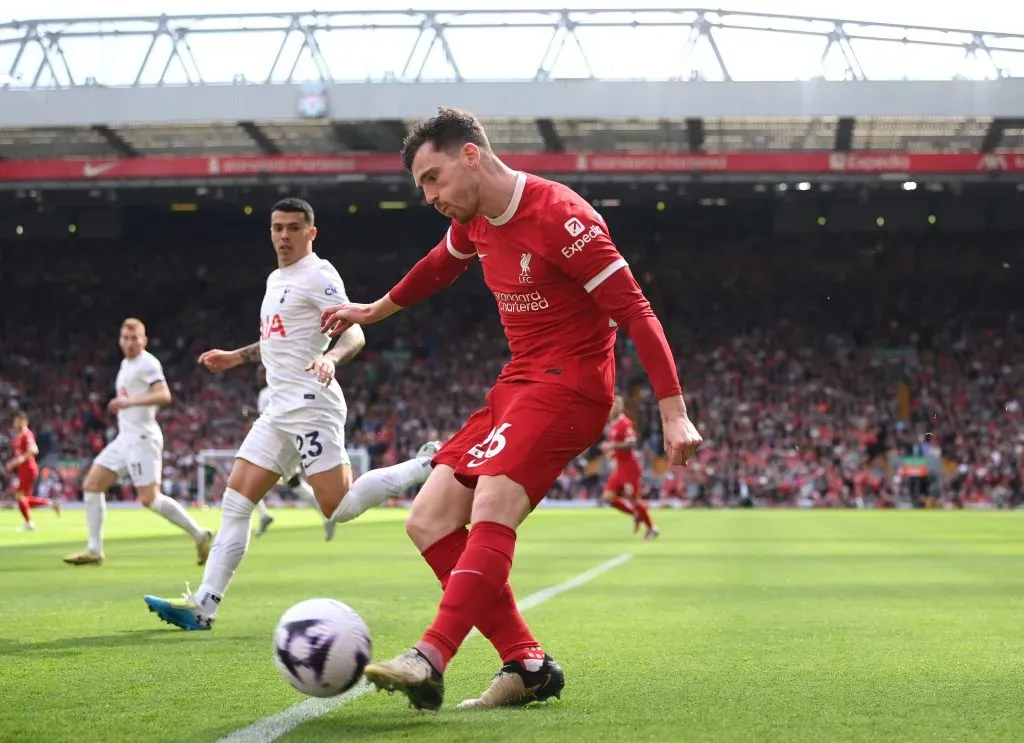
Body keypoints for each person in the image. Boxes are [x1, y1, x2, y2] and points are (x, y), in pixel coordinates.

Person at [319, 107, 703, 711]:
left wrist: (673, 412)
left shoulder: (562, 218)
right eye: (422, 185)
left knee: (494, 497)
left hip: (571, 385)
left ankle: (430, 655)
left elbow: (636, 311)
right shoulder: (473, 220)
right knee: (428, 519)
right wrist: (375, 310)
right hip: (516, 384)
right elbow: (440, 265)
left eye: (432, 178)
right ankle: (526, 663)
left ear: (471, 155)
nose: (428, 196)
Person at [142, 197, 439, 631]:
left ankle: (425, 464)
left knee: (336, 508)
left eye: (293, 227)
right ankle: (204, 606)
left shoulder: (319, 275)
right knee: (236, 501)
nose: (283, 235)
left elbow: (354, 331)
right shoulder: (275, 278)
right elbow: (278, 342)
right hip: (278, 410)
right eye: (277, 227)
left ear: (310, 233)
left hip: (310, 404)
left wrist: (332, 359)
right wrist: (235, 357)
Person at [63, 319, 213, 566]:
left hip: (143, 438)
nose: (130, 342)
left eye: (135, 338)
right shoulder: (126, 364)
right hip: (125, 438)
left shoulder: (148, 363)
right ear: (120, 340)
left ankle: (199, 534)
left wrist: (129, 403)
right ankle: (94, 550)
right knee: (92, 485)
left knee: (149, 499)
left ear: (144, 340)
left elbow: (164, 395)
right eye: (125, 337)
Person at [249, 365, 332, 540]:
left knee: (248, 480)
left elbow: (267, 421)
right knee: (295, 484)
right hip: (296, 439)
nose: (258, 378)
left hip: (277, 443)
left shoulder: (266, 393)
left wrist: (249, 415)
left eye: (260, 373)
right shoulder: (286, 388)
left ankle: (264, 515)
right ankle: (327, 516)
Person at [600, 395, 658, 539]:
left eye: (615, 405)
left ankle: (652, 528)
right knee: (608, 497)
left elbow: (632, 443)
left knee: (635, 500)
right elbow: (620, 447)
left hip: (630, 467)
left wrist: (612, 446)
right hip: (620, 467)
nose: (612, 408)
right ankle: (635, 514)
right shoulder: (613, 425)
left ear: (620, 408)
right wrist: (612, 453)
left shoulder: (626, 423)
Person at [6, 411, 60, 532]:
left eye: (17, 420)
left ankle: (29, 523)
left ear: (23, 421)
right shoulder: (19, 435)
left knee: (20, 496)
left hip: (28, 469)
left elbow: (34, 449)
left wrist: (18, 460)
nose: (15, 423)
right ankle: (51, 503)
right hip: (23, 469)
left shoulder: (26, 434)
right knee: (25, 499)